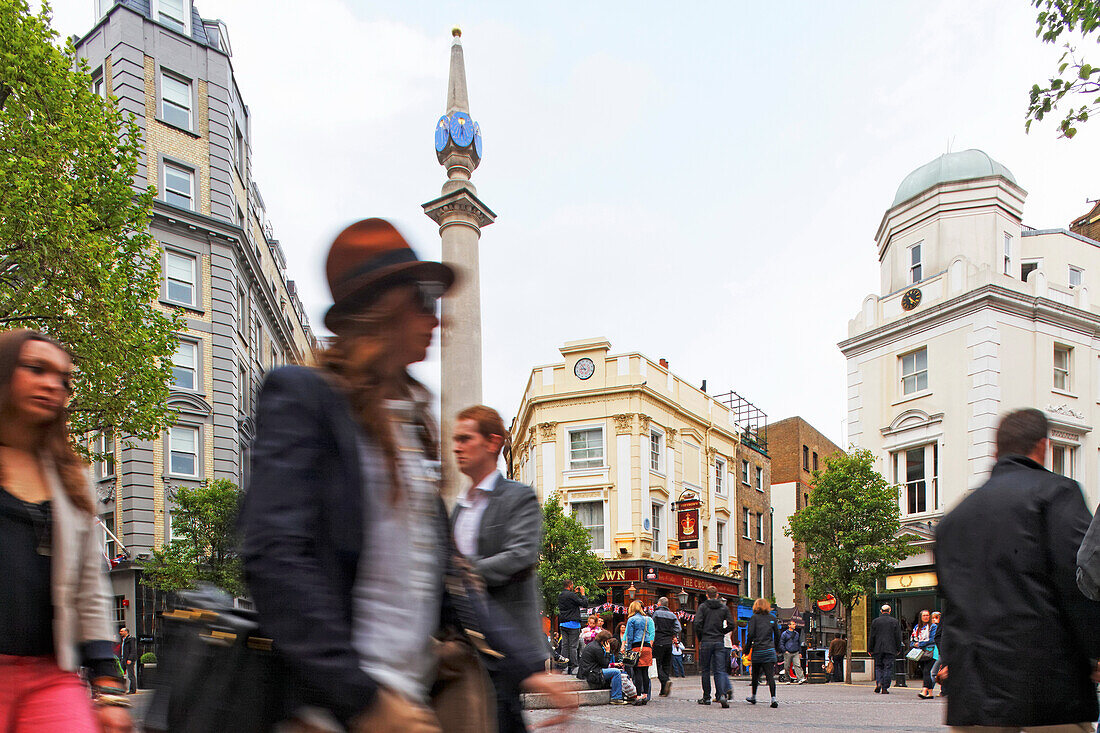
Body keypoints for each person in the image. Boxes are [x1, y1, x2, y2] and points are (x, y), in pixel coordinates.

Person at [238, 219, 569, 732]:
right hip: (330, 710)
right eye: (422, 299)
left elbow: (451, 580)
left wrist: (530, 668)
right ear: (382, 307)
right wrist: (364, 699)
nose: (435, 317)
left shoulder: (409, 428)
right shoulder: (304, 397)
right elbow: (275, 557)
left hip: (406, 704)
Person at [936, 408, 1100, 731]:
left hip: (974, 693)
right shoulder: (1058, 494)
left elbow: (952, 610)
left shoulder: (952, 521)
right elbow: (1080, 583)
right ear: (1043, 445)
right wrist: (1095, 650)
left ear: (997, 451)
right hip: (1048, 687)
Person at [0, 330, 131, 732]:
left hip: (50, 675)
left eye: (63, 379)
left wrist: (107, 685)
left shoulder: (71, 478)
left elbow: (89, 588)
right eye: (36, 369)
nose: (52, 385)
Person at [450, 404, 543, 733]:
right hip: (465, 648)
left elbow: (520, 556)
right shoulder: (458, 508)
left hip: (504, 647)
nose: (456, 446)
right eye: (454, 439)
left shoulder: (519, 497)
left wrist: (461, 574)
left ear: (492, 443)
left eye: (465, 438)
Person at [696, 586, 734, 708]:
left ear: (707, 595)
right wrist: (722, 631)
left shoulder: (702, 607)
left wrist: (701, 636)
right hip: (719, 641)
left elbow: (697, 623)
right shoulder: (723, 608)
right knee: (719, 670)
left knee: (706, 670)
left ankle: (706, 697)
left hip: (706, 641)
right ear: (717, 595)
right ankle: (721, 695)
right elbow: (732, 624)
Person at [743, 597, 781, 708]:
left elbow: (750, 635)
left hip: (758, 650)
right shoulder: (772, 618)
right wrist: (777, 648)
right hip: (769, 650)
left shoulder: (753, 618)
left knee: (755, 675)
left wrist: (746, 650)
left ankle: (753, 696)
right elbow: (778, 635)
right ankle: (773, 699)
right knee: (770, 676)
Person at [579, 630, 628, 705]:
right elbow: (605, 664)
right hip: (592, 672)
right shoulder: (597, 648)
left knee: (615, 671)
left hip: (589, 670)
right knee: (616, 672)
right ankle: (616, 697)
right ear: (604, 641)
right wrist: (608, 652)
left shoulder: (593, 645)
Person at [557, 580, 592, 676]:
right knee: (573, 646)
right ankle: (574, 667)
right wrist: (583, 594)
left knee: (565, 646)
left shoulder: (561, 595)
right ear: (570, 585)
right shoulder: (572, 596)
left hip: (563, 623)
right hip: (573, 624)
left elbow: (569, 600)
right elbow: (584, 604)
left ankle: (564, 667)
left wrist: (574, 593)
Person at [868, 604, 902, 695]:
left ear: (881, 611)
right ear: (889, 611)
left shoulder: (875, 621)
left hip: (877, 648)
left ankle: (879, 682)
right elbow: (898, 636)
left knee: (878, 666)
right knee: (888, 667)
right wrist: (898, 648)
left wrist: (870, 649)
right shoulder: (894, 621)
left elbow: (872, 636)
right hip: (890, 648)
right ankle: (885, 687)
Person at [624, 601, 652, 705]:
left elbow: (630, 636)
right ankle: (645, 695)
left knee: (637, 672)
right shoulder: (647, 619)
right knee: (645, 672)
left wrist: (629, 649)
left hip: (636, 646)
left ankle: (638, 696)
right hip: (647, 647)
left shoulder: (631, 619)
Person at [909, 609, 935, 700]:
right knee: (925, 671)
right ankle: (930, 693)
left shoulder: (933, 627)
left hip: (931, 652)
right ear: (920, 617)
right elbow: (912, 640)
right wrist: (914, 644)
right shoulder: (916, 627)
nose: (926, 617)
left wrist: (919, 644)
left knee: (926, 671)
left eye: (927, 615)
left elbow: (932, 640)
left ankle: (924, 690)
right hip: (920, 653)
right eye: (924, 615)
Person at [780, 620, 806, 685]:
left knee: (797, 665)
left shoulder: (796, 634)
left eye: (794, 624)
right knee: (787, 667)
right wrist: (784, 651)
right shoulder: (784, 634)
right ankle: (787, 679)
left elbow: (798, 643)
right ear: (789, 625)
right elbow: (781, 643)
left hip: (795, 652)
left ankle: (800, 678)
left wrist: (800, 652)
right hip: (788, 652)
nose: (795, 625)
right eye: (793, 624)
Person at [926, 612, 943, 697]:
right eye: (932, 618)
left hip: (939, 652)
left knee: (933, 672)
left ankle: (929, 690)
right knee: (934, 672)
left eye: (936, 618)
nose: (934, 620)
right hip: (936, 652)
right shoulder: (930, 627)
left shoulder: (935, 627)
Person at [119, 627, 138, 694]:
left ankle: (133, 690)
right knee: (120, 674)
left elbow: (133, 650)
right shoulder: (122, 640)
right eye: (120, 631)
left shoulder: (131, 639)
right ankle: (121, 689)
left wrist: (130, 659)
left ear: (126, 632)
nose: (120, 632)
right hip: (123, 659)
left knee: (131, 675)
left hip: (129, 659)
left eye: (122, 631)